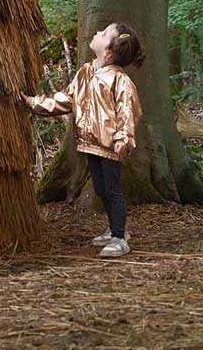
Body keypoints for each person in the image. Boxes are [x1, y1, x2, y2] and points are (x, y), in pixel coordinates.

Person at [21, 22, 144, 258]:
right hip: (89, 144)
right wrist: (34, 103)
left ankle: (120, 237)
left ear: (110, 49)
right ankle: (112, 229)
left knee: (113, 189)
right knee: (100, 188)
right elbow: (66, 99)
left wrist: (123, 138)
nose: (97, 33)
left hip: (110, 146)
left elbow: (128, 111)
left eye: (104, 33)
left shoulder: (120, 81)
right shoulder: (86, 72)